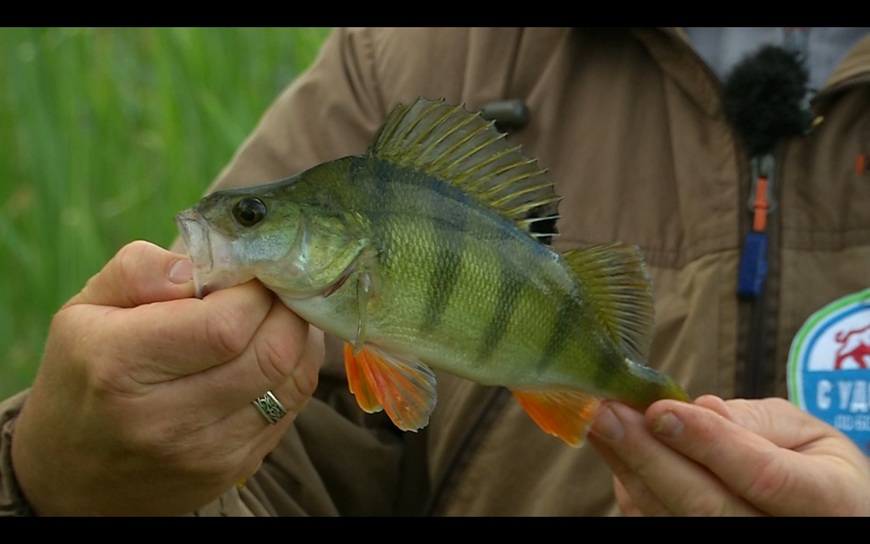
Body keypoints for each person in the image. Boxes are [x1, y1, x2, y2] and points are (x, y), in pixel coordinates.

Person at [2, 27, 869, 516]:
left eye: (253, 218)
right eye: (246, 218)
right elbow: (281, 472)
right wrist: (64, 480)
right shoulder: (407, 58)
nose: (224, 228)